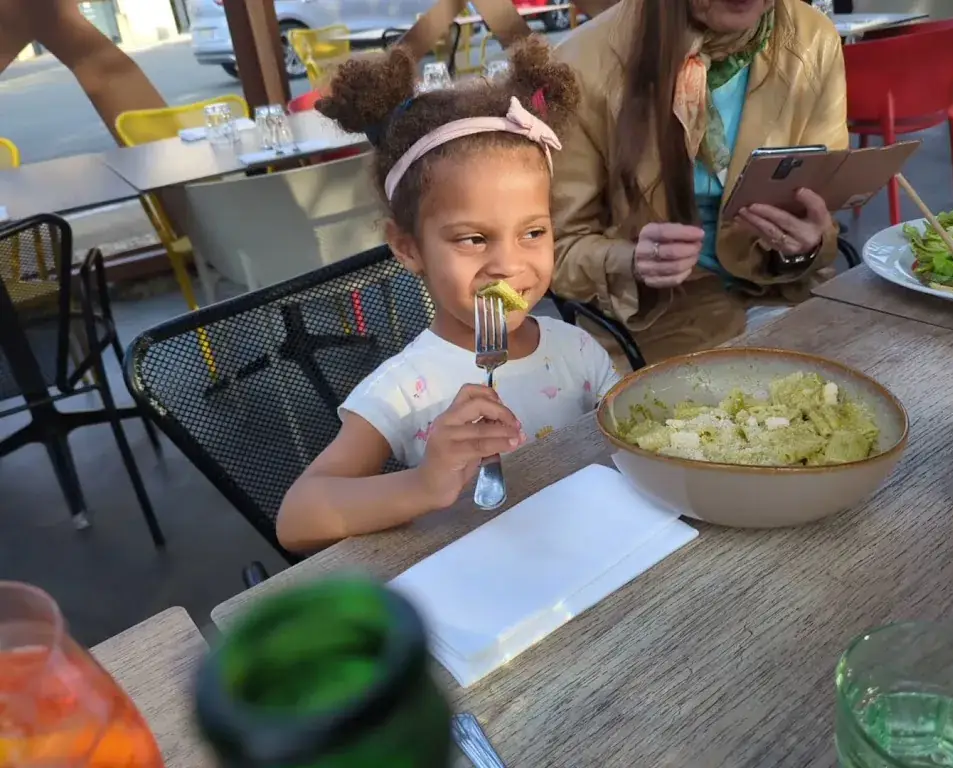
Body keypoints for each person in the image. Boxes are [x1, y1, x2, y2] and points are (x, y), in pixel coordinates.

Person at [276, 37, 621, 553]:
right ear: (408, 248)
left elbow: (635, 422)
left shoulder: (578, 351)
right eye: (473, 239)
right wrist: (422, 484)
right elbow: (297, 520)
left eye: (533, 232)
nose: (508, 264)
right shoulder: (404, 387)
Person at [551, 0, 847, 363]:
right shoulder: (580, 63)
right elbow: (556, 249)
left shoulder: (812, 38)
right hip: (658, 318)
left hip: (787, 292)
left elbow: (822, 215)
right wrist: (630, 261)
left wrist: (805, 245)